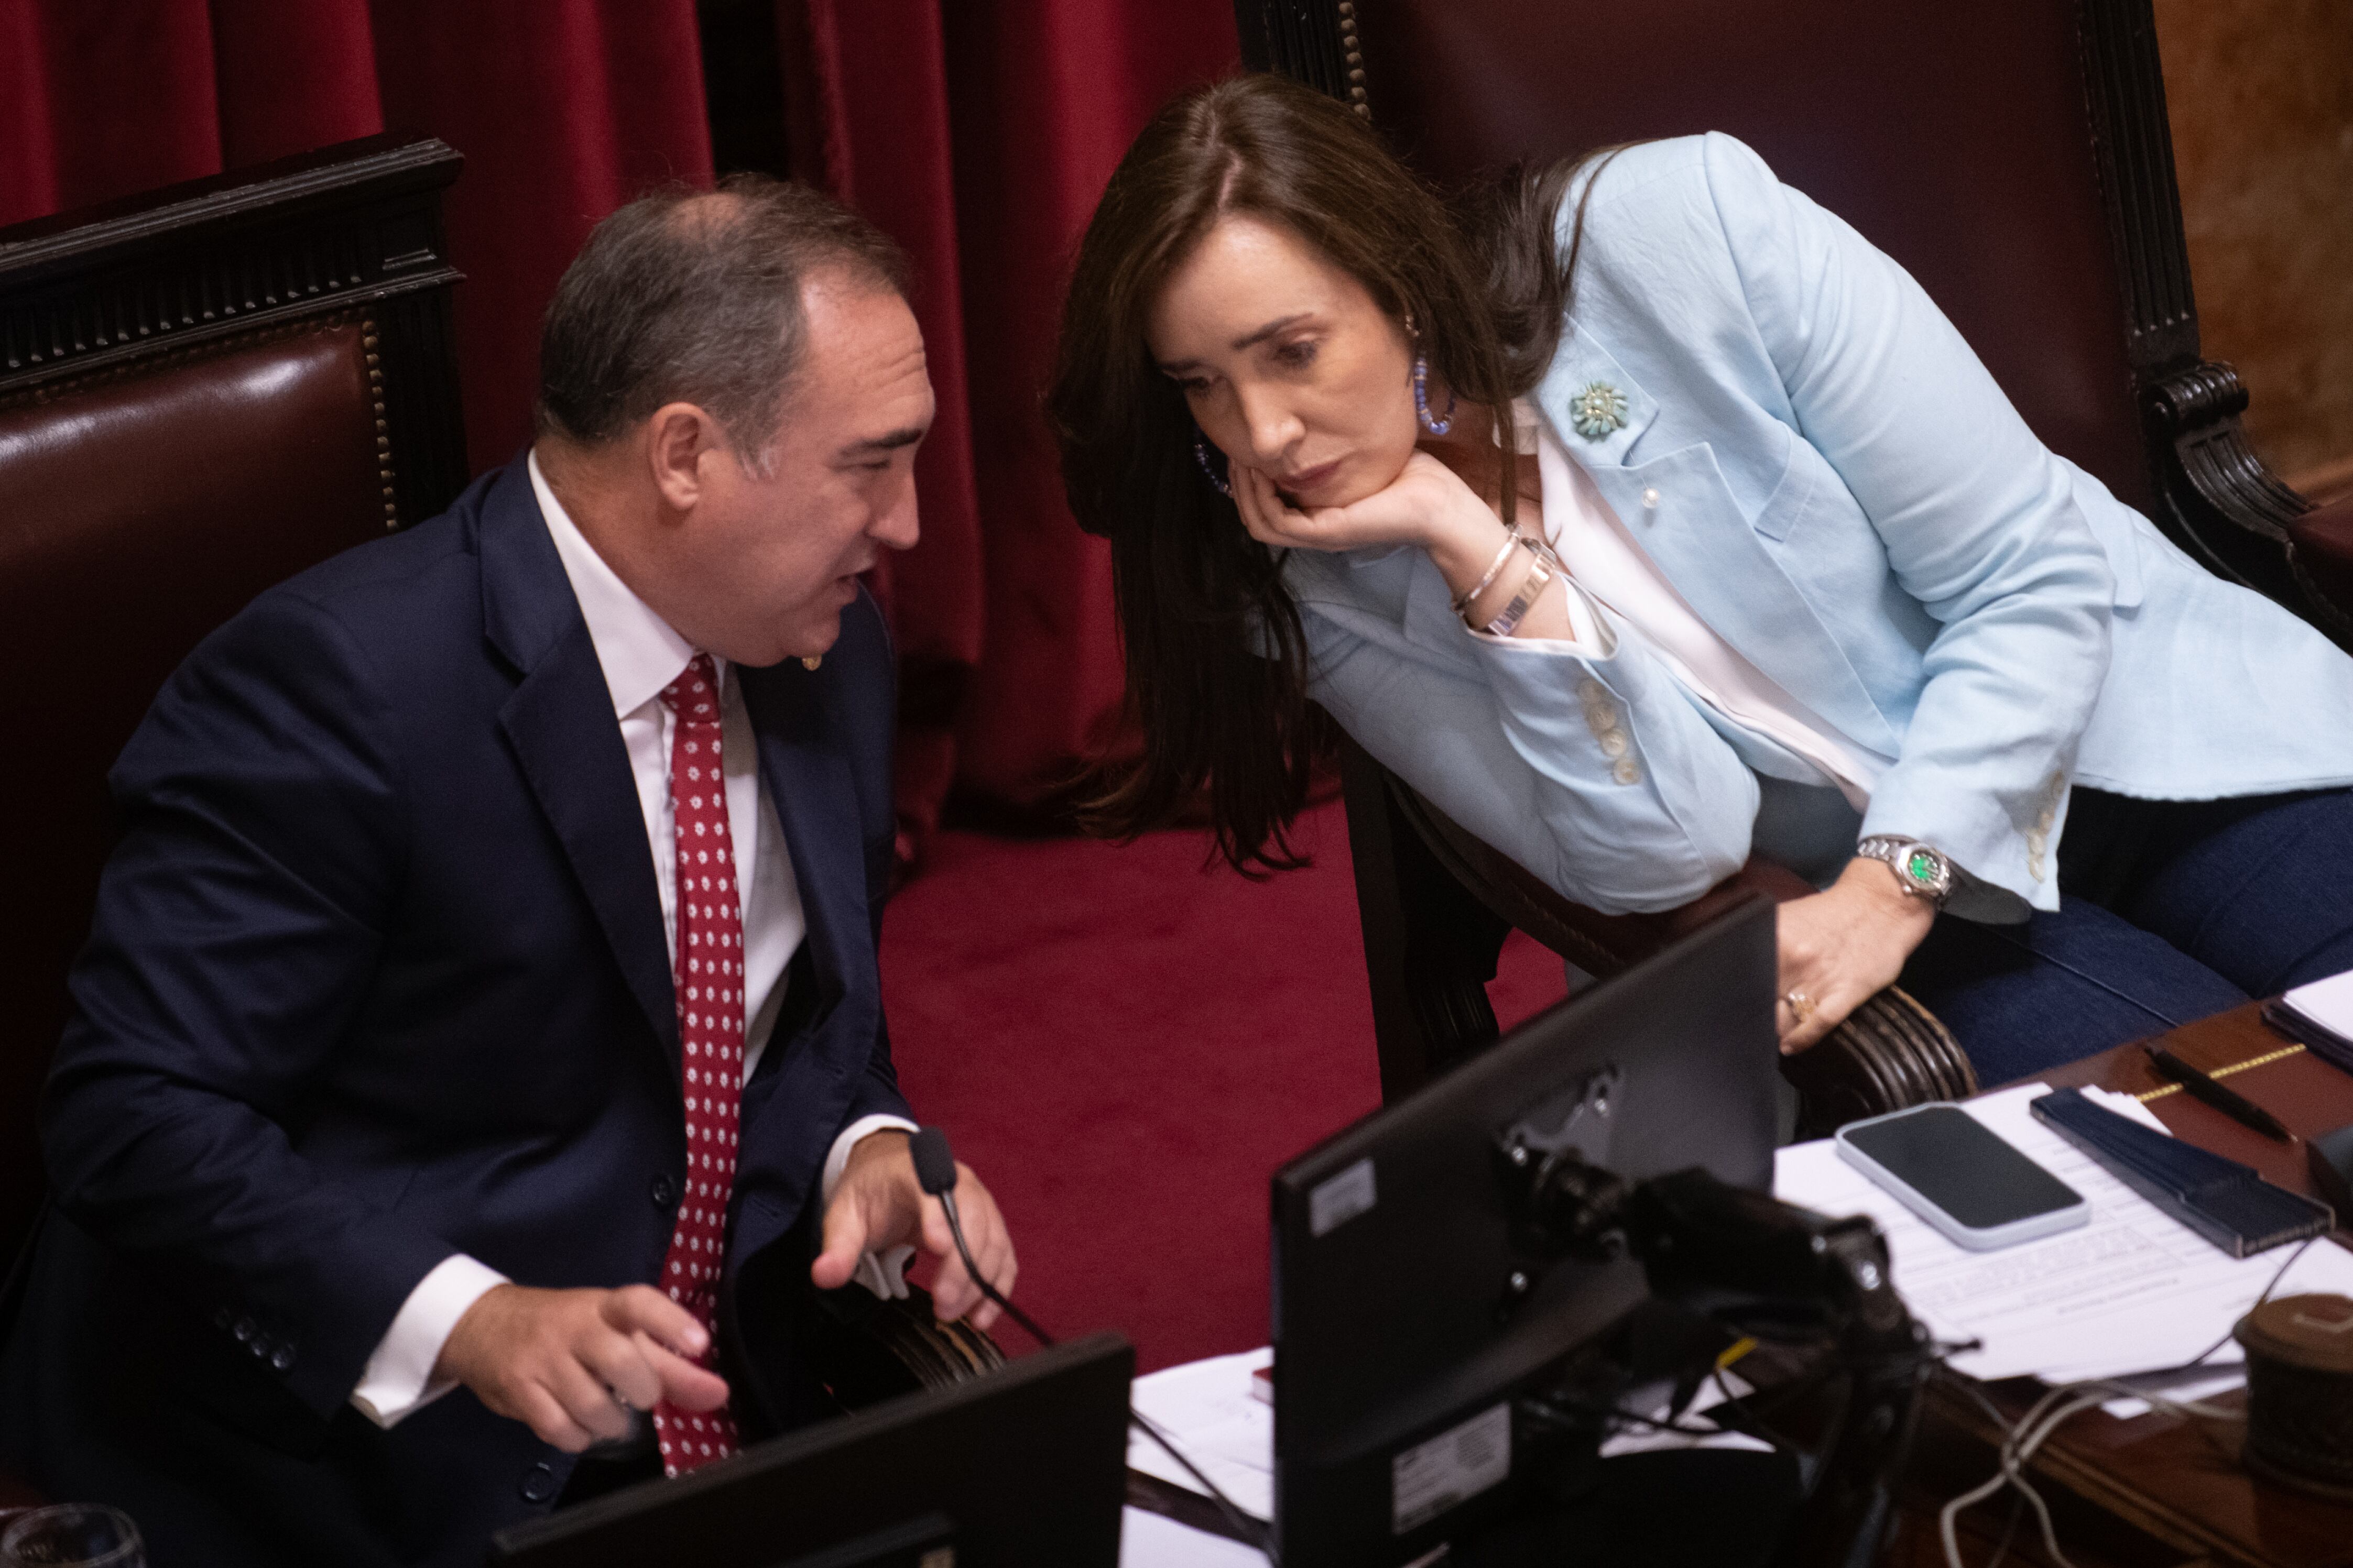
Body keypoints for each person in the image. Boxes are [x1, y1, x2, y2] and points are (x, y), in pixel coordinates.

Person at [0, 178, 1017, 1566]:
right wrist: (462, 1316)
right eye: (869, 462)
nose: (905, 525)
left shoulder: (818, 644)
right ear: (683, 455)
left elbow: (791, 1021)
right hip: (348, 1480)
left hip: (710, 1412)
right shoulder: (336, 692)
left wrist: (868, 1145)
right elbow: (133, 1116)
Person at [1047, 74, 2353, 1084]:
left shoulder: (1683, 229)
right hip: (1848, 905)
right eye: (1201, 385)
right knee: (2239, 1168)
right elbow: (1666, 854)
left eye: (1292, 350)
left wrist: (1893, 882)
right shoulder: (1307, 586)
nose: (1263, 433)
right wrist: (1491, 564)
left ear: (1395, 285)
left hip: (2131, 732)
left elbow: (2028, 578)